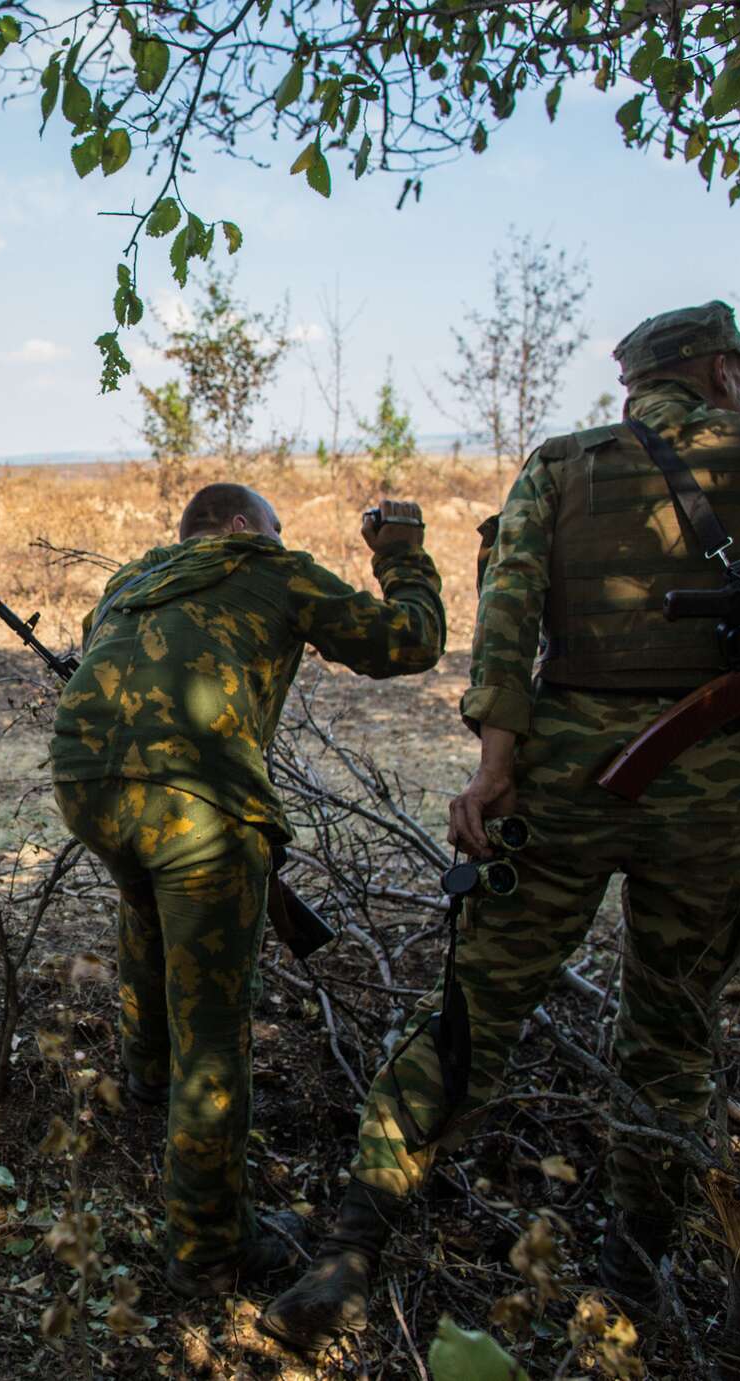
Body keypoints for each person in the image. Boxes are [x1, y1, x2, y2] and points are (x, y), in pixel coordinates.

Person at [264, 303, 740, 1354]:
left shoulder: (561, 466)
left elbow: (508, 606)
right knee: (670, 1030)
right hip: (714, 788)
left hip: (564, 775)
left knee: (473, 1007)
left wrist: (494, 759)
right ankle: (627, 1277)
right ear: (721, 374)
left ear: (635, 385)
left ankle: (350, 1248)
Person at [50, 482, 446, 1299]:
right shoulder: (269, 565)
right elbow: (407, 642)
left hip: (86, 786)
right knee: (217, 1033)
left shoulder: (131, 578)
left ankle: (145, 1085)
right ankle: (208, 1249)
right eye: (273, 526)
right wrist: (403, 557)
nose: (279, 536)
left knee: (149, 912)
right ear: (238, 527)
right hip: (198, 804)